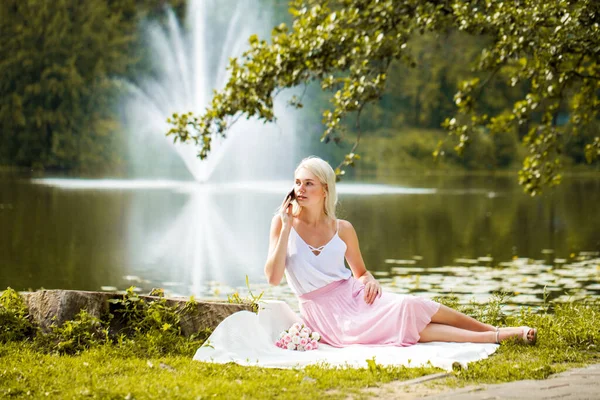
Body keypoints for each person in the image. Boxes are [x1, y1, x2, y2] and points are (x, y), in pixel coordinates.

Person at [264, 156, 537, 347]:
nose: (301, 189)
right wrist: (287, 227)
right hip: (327, 316)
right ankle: (500, 336)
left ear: (325, 189)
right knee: (408, 318)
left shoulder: (343, 229)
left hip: (355, 297)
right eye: (298, 182)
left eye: (309, 183)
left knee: (410, 306)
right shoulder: (281, 223)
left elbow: (361, 273)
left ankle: (493, 332)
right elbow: (274, 278)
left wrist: (369, 280)